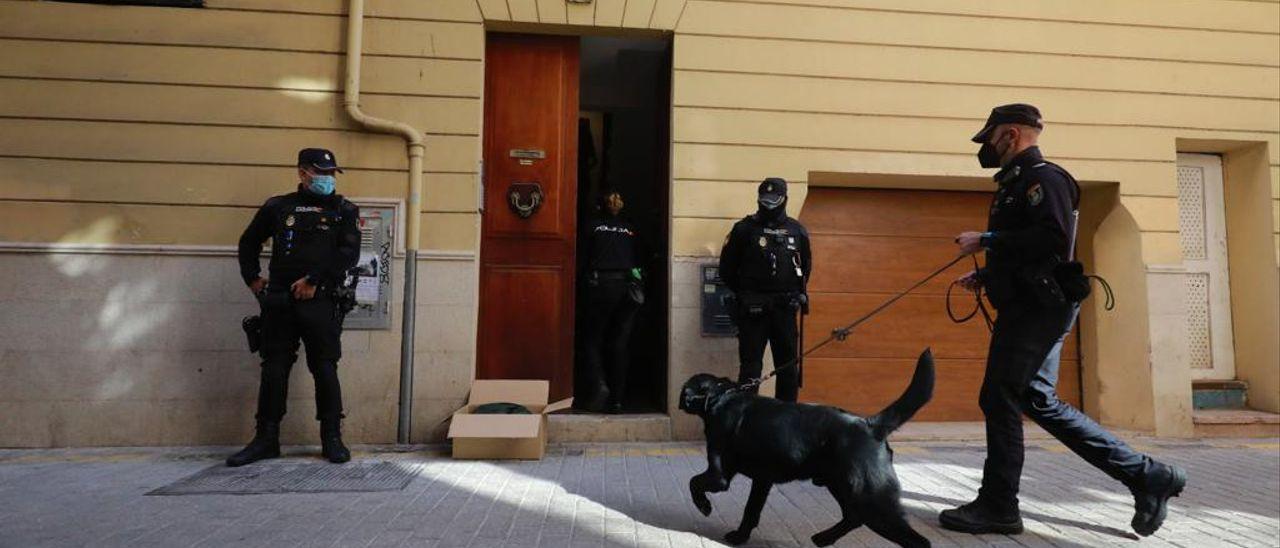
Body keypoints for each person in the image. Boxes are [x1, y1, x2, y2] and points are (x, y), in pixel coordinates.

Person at [941, 104, 1186, 536]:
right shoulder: (1019, 181)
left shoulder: (1044, 179)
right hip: (1033, 303)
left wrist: (987, 239)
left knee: (1000, 396)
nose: (987, 147)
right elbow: (1032, 249)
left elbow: (1054, 239)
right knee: (1037, 400)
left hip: (1038, 308)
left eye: (990, 138)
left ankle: (999, 506)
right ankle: (1148, 477)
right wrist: (986, 273)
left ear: (1011, 134)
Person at [229, 148, 361, 466]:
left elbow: (348, 254)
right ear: (302, 173)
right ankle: (266, 438)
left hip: (321, 300)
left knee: (325, 368)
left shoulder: (345, 210)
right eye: (320, 173)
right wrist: (252, 279)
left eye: (331, 173)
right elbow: (248, 242)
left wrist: (314, 280)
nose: (327, 179)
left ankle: (332, 438)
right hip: (280, 302)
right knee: (274, 368)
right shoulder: (279, 206)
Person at [718, 178, 812, 402]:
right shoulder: (743, 229)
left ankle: (785, 423)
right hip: (753, 310)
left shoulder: (796, 231)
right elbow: (727, 270)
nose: (769, 206)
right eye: (765, 201)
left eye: (774, 201)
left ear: (784, 200)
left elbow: (805, 269)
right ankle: (746, 425)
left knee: (788, 369)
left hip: (784, 310)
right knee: (750, 370)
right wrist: (747, 295)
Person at [576, 190, 643, 414]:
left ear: (600, 206)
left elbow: (581, 258)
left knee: (591, 340)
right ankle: (617, 400)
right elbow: (640, 259)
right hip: (627, 289)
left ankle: (598, 386)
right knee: (619, 345)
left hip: (600, 287)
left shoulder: (592, 226)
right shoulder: (630, 229)